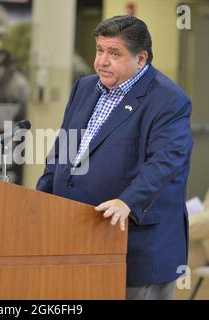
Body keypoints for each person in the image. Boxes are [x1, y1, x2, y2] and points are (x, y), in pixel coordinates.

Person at [36, 15, 193, 300]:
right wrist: (42, 194)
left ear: (141, 58)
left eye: (114, 53)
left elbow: (166, 162)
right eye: (99, 50)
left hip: (137, 246)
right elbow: (65, 147)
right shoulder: (85, 87)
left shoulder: (169, 100)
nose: (102, 61)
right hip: (78, 241)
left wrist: (127, 201)